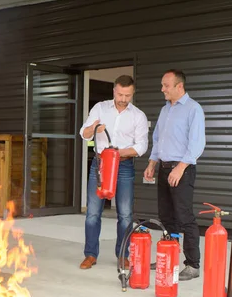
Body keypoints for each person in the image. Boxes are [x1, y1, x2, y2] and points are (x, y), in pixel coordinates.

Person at [79, 75, 149, 270]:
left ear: (132, 93)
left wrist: (117, 153)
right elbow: (83, 134)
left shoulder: (138, 116)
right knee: (93, 213)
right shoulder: (100, 108)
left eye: (128, 95)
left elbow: (141, 146)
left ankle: (122, 255)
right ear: (114, 91)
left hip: (124, 166)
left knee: (125, 214)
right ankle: (90, 255)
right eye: (120, 94)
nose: (123, 99)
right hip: (100, 165)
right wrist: (93, 128)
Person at [144, 69, 206, 281]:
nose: (162, 89)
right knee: (166, 216)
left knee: (184, 216)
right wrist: (152, 163)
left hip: (182, 170)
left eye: (166, 86)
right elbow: (158, 139)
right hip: (163, 167)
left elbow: (197, 144)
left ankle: (192, 264)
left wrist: (180, 168)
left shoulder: (193, 109)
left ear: (179, 87)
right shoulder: (165, 110)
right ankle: (168, 256)